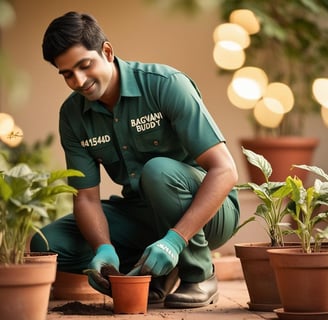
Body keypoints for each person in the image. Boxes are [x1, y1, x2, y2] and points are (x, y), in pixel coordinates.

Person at [31, 11, 240, 308]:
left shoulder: (165, 84)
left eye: (84, 65)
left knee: (157, 171)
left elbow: (225, 170)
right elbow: (86, 199)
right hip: (141, 212)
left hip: (208, 211)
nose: (78, 80)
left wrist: (175, 240)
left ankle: (199, 274)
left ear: (107, 51)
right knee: (47, 244)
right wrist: (102, 248)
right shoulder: (72, 115)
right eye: (67, 73)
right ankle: (150, 275)